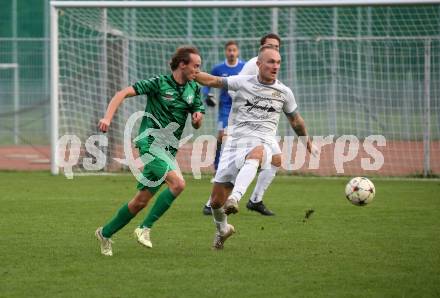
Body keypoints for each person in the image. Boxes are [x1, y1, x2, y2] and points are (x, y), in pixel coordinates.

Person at [196, 44, 317, 249]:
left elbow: (296, 121)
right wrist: (192, 73)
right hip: (234, 144)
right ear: (258, 63)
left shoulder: (284, 92)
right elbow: (214, 81)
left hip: (263, 141)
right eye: (271, 61)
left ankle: (235, 198)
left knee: (258, 153)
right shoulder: (243, 82)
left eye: (278, 62)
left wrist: (307, 142)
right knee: (216, 202)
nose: (275, 66)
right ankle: (223, 230)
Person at [95, 46, 205, 256]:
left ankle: (105, 233)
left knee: (139, 202)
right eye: (196, 66)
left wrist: (198, 119)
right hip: (150, 144)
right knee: (178, 184)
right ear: (182, 64)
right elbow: (123, 93)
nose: (198, 70)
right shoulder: (159, 83)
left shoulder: (194, 88)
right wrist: (107, 117)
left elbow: (198, 116)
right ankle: (144, 229)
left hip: (168, 150)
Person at [235, 33, 282, 216]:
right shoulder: (253, 64)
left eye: (277, 46)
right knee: (240, 164)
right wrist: (246, 108)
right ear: (261, 48)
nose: (274, 49)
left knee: (276, 159)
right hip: (247, 123)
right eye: (270, 45)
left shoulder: (274, 65)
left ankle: (255, 200)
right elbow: (236, 87)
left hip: (263, 126)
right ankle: (213, 202)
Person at [201, 40, 245, 216]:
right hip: (224, 111)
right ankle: (219, 168)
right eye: (229, 50)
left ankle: (228, 178)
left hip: (241, 111)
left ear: (238, 51)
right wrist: (208, 96)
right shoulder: (219, 68)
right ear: (226, 52)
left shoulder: (244, 67)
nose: (232, 53)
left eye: (234, 50)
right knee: (222, 138)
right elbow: (208, 84)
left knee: (237, 144)